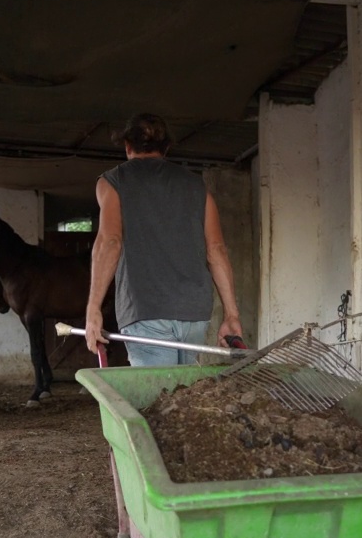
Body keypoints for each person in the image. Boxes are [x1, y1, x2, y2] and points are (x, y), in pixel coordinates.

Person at [84, 113, 243, 366]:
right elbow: (216, 250)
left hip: (145, 311)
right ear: (166, 148)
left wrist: (93, 309)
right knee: (182, 395)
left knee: (158, 399)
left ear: (127, 146)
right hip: (194, 313)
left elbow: (110, 242)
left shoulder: (112, 182)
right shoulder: (196, 187)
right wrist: (231, 314)